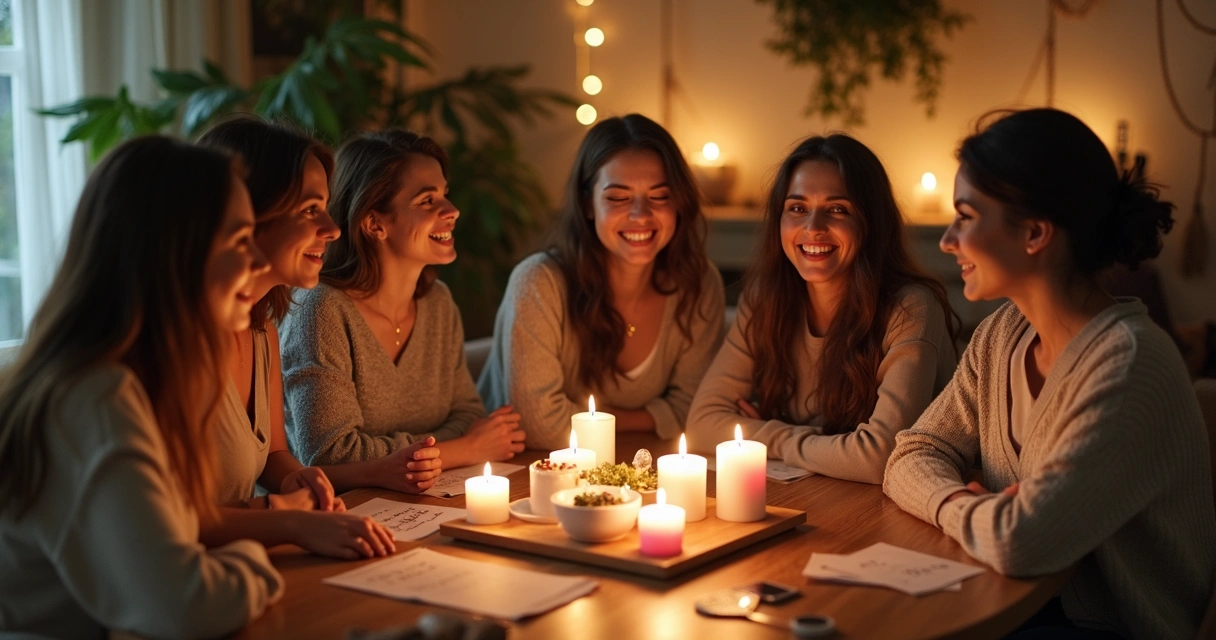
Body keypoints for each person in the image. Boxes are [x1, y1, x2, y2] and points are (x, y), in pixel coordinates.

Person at [882, 108, 1216, 638]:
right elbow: (911, 452)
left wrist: (962, 509)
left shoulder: (1130, 364)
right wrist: (965, 502)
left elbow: (1020, 542)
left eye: (966, 216)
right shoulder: (1000, 336)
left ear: (1035, 232)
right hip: (1017, 606)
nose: (947, 239)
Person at [0, 137, 329, 637]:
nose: (260, 265)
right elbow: (187, 605)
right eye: (241, 242)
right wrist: (259, 557)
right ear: (176, 252)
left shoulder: (134, 378)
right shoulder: (94, 396)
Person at [195, 117, 439, 555]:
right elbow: (173, 521)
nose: (332, 228)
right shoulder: (177, 343)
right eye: (310, 210)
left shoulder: (261, 327)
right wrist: (286, 517)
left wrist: (296, 479)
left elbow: (272, 454)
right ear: (248, 215)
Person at [686, 134, 957, 484]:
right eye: (797, 208)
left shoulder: (910, 308)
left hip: (893, 513)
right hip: (815, 496)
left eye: (838, 209)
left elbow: (879, 458)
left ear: (871, 223)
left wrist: (766, 436)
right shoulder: (765, 299)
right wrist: (832, 447)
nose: (813, 228)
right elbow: (703, 422)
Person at [477, 113, 725, 451]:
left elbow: (695, 409)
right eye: (618, 198)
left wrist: (591, 420)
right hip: (521, 474)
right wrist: (649, 416)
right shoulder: (538, 283)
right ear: (587, 204)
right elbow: (538, 427)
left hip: (628, 465)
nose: (640, 214)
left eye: (659, 196)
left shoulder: (698, 283)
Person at [282, 129, 522, 470]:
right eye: (427, 200)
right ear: (374, 224)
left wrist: (452, 446)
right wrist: (462, 450)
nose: (452, 210)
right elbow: (329, 453)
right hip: (340, 513)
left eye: (444, 195)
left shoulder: (438, 303)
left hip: (426, 501)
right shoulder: (321, 309)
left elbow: (469, 416)